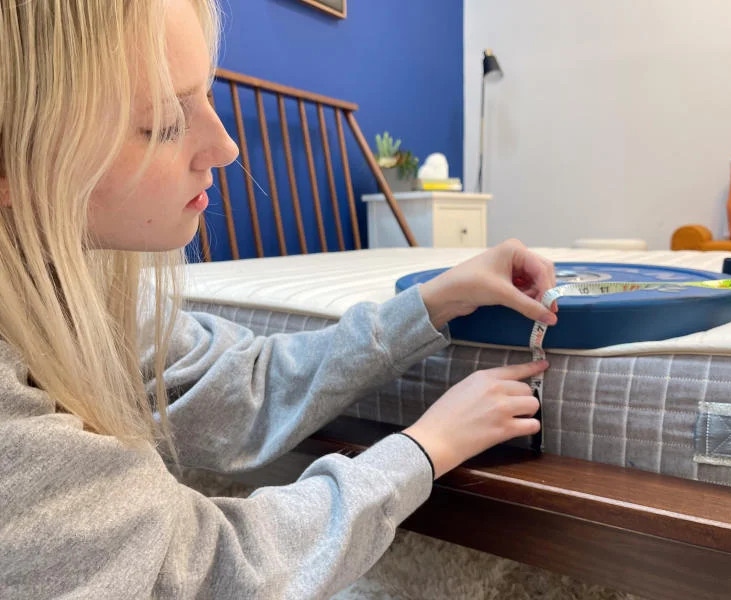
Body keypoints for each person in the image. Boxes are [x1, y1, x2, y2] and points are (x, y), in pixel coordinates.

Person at [0, 1, 558, 598]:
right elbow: (208, 571)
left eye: (207, 96)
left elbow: (238, 384)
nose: (227, 147)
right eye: (164, 122)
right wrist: (425, 448)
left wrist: (433, 300)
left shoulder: (69, 289)